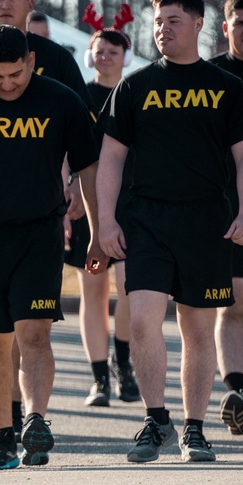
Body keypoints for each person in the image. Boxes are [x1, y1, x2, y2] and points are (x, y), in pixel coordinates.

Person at [98, 0, 243, 463]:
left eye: (172, 21)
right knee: (144, 315)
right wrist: (104, 221)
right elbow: (110, 157)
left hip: (207, 220)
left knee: (196, 325)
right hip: (146, 219)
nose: (162, 29)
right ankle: (155, 420)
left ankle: (194, 428)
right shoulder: (135, 87)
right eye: (158, 22)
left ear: (197, 24)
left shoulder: (225, 87)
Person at [0, 25, 101, 470]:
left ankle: (36, 420)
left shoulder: (60, 100)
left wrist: (98, 229)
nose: (6, 84)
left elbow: (88, 167)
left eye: (15, 75)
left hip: (39, 233)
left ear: (31, 63)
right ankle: (2, 436)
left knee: (35, 334)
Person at [66, 21, 139, 407]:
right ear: (89, 55)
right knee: (92, 290)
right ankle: (99, 378)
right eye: (100, 49)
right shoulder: (79, 96)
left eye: (114, 50)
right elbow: (67, 149)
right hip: (87, 206)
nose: (106, 56)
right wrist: (70, 189)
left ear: (125, 57)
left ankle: (123, 364)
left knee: (128, 285)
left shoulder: (135, 93)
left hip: (129, 204)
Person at [211, 0, 243, 434]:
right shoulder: (214, 76)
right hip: (229, 204)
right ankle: (239, 393)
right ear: (225, 27)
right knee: (234, 300)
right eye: (240, 22)